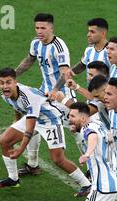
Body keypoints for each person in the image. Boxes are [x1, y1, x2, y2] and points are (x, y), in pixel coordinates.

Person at [0, 67, 91, 198]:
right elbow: (16, 106)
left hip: (49, 120)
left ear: (15, 82)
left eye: (8, 82)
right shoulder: (5, 94)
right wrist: (16, 120)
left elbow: (30, 127)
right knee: (4, 141)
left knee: (58, 159)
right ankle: (13, 179)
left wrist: (21, 149)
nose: (5, 86)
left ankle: (87, 185)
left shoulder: (28, 96)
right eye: (2, 82)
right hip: (33, 117)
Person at [14, 13, 78, 177]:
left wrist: (55, 91)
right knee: (33, 121)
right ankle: (32, 164)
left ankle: (92, 170)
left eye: (43, 28)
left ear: (51, 28)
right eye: (37, 28)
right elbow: (29, 61)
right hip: (44, 93)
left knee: (78, 132)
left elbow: (65, 73)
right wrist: (12, 75)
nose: (39, 31)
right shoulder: (36, 43)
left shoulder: (59, 46)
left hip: (62, 96)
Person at [62, 18, 110, 89]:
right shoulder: (89, 49)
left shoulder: (110, 52)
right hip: (90, 96)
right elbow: (83, 64)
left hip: (105, 97)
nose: (88, 35)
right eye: (88, 31)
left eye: (92, 32)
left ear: (103, 33)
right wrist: (71, 71)